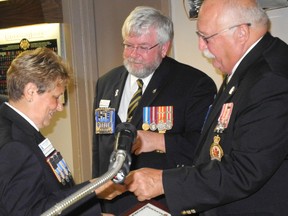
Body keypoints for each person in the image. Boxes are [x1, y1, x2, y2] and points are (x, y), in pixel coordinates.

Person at [125, 0, 288, 215]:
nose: (202, 47)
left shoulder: (270, 77)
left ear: (241, 33)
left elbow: (245, 170)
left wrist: (164, 182)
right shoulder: (249, 67)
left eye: (206, 38)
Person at [92, 6, 217, 215]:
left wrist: (158, 141)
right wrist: (98, 200)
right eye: (128, 45)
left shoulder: (194, 84)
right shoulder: (106, 82)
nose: (133, 54)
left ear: (164, 47)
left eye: (142, 47)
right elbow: (100, 146)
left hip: (163, 203)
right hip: (113, 204)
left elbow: (205, 147)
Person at [0, 47, 125, 216]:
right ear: (30, 92)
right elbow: (29, 213)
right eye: (56, 97)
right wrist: (90, 194)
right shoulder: (15, 146)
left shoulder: (16, 124)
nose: (59, 107)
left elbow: (43, 196)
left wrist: (93, 188)